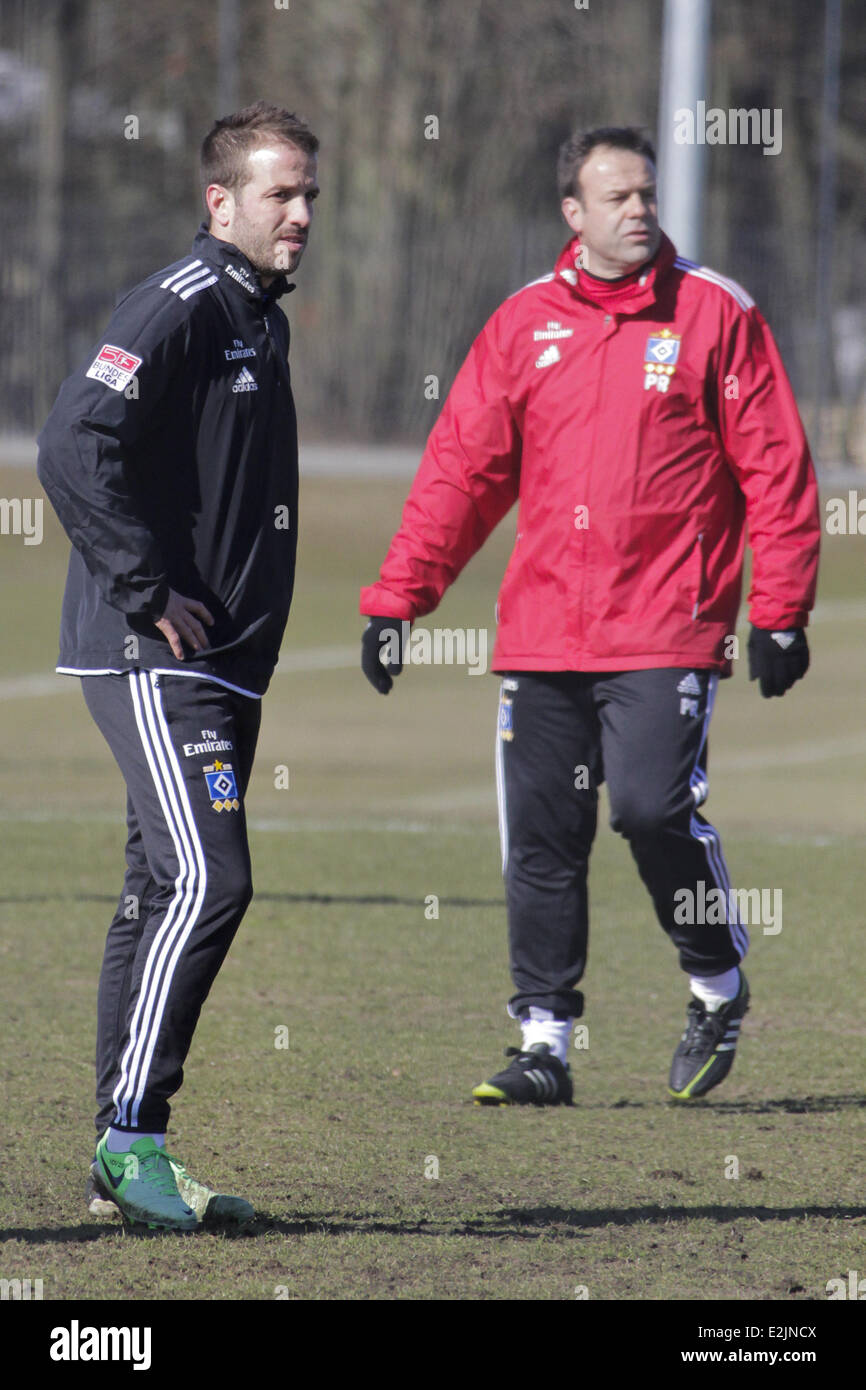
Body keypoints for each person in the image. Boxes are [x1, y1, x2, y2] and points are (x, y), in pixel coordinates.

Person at [360, 126, 820, 1107]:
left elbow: (774, 469)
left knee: (650, 809)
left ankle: (714, 982)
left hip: (665, 624)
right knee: (539, 835)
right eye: (615, 196)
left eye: (645, 192)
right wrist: (399, 595)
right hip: (543, 632)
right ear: (571, 213)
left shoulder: (713, 313)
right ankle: (543, 1042)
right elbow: (462, 472)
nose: (638, 209)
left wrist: (778, 610)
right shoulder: (523, 322)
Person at [37, 101, 319, 1227]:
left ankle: (119, 1154)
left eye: (308, 194)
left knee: (156, 887)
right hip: (153, 656)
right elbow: (70, 442)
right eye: (277, 193)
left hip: (226, 667)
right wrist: (145, 589)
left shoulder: (262, 317)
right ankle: (134, 1139)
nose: (299, 214)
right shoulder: (180, 303)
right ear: (219, 201)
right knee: (212, 881)